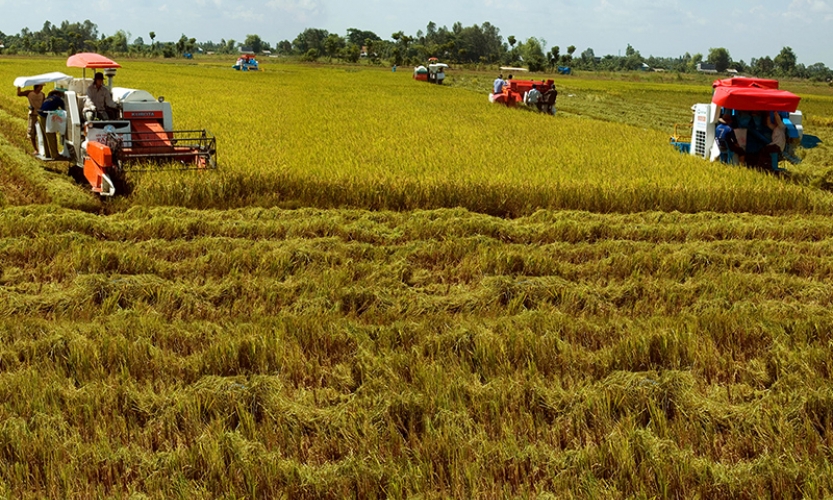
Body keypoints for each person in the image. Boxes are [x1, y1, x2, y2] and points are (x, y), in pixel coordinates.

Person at [16, 84, 45, 155]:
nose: (42, 88)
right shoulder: (29, 93)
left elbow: (44, 103)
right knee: (32, 132)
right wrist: (18, 86)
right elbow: (19, 94)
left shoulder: (42, 94)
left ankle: (42, 149)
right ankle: (36, 149)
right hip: (32, 115)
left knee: (41, 132)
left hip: (40, 115)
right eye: (41, 86)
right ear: (37, 87)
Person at [38, 90, 66, 159]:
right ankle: (55, 155)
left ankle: (47, 154)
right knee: (51, 136)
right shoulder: (57, 99)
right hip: (46, 117)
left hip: (40, 116)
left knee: (45, 136)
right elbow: (64, 108)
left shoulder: (49, 98)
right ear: (58, 94)